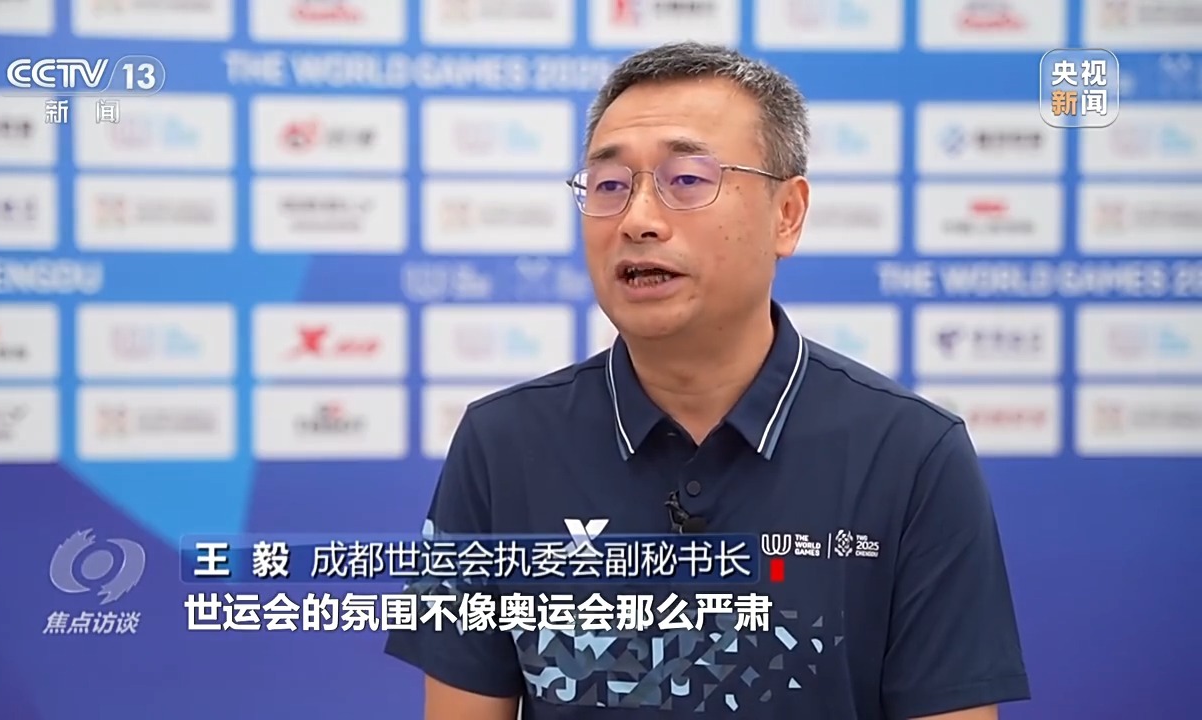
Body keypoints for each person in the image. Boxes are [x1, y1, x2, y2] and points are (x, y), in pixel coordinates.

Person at [384, 41, 1030, 720]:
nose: (638, 220)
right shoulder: (502, 446)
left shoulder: (912, 455)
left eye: (687, 180)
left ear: (788, 214)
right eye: (610, 185)